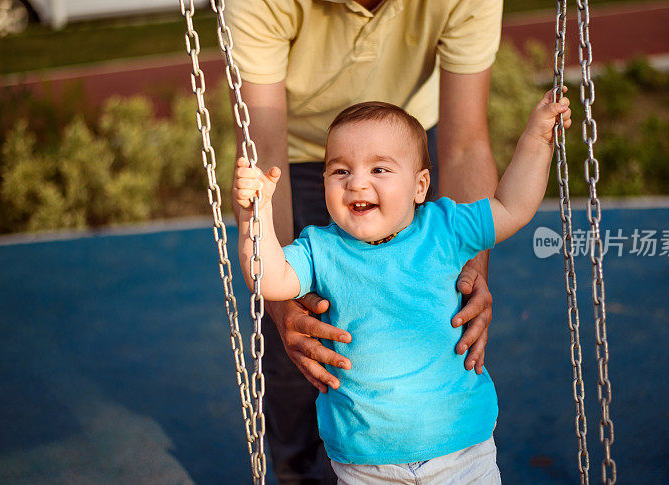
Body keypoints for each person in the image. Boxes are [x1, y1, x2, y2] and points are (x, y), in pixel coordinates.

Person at [226, 0, 503, 482]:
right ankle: (298, 470)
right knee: (304, 346)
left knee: (436, 317)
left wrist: (471, 271)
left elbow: (465, 143)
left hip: (403, 141)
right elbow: (262, 155)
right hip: (300, 153)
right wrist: (282, 305)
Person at [233, 95, 572, 483]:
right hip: (366, 460)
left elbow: (513, 206)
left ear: (419, 185)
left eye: (379, 169)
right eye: (340, 171)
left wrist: (536, 138)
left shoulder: (444, 228)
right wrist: (254, 217)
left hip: (461, 449)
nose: (357, 182)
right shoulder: (319, 248)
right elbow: (268, 278)